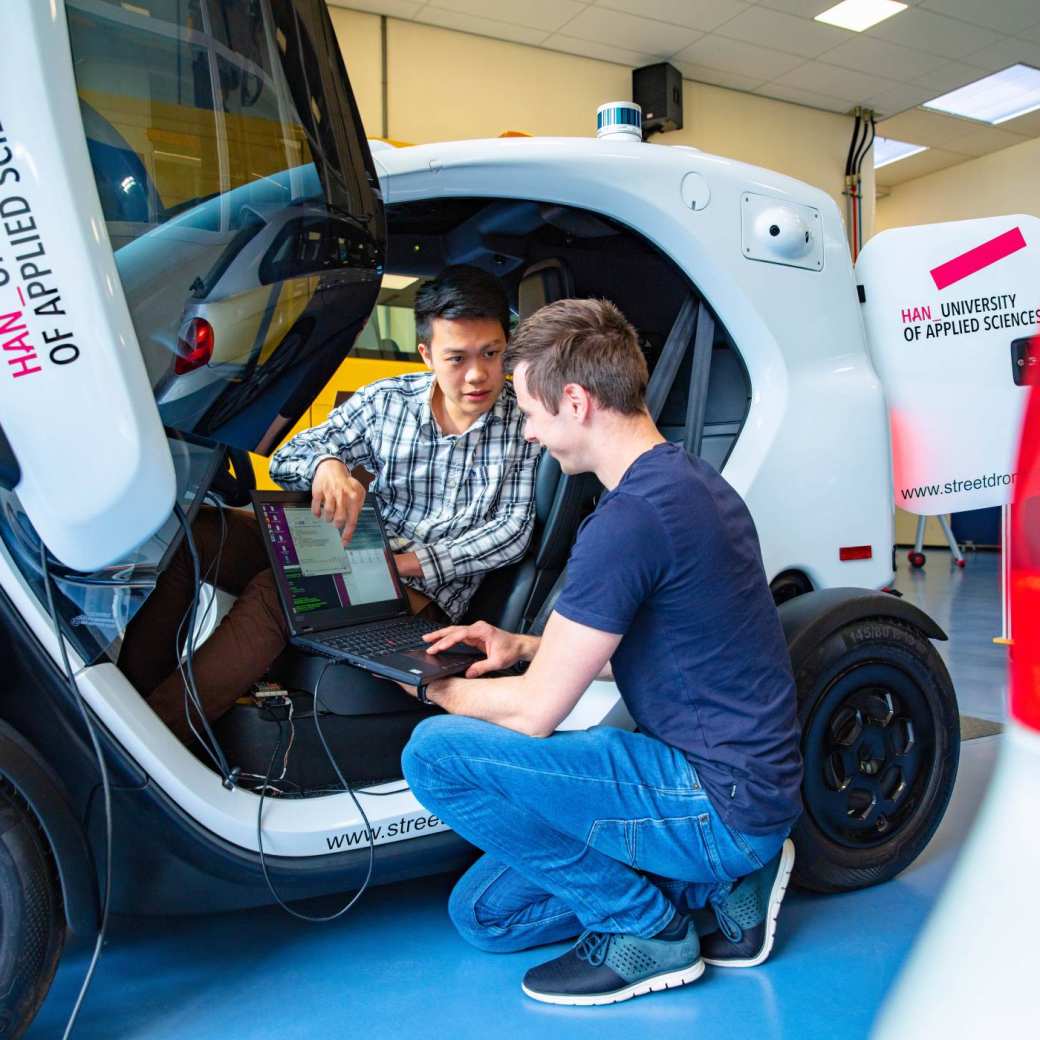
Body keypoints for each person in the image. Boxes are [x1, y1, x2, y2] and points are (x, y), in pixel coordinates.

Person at [400, 298, 803, 1006]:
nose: (527, 434)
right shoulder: (692, 483)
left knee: (433, 752)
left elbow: (534, 713)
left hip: (713, 799)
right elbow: (675, 644)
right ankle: (724, 884)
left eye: (529, 411)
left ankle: (643, 928)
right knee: (486, 915)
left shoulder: (628, 521)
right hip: (746, 795)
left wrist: (433, 686)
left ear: (577, 402)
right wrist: (522, 643)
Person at [119, 265, 540, 743]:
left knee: (283, 592)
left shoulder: (522, 422)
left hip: (421, 591)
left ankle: (153, 740)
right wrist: (327, 466)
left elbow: (512, 530)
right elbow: (290, 455)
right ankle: (130, 703)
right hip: (345, 548)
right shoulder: (388, 402)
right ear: (426, 354)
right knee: (192, 534)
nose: (478, 375)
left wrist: (403, 562)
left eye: (491, 354)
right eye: (457, 358)